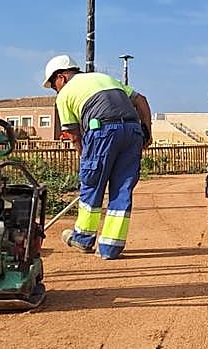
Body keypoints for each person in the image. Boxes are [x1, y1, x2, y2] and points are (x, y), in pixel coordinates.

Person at [42, 55, 153, 260]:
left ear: (62, 77)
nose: (55, 90)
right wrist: (147, 133)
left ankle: (83, 238)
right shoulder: (104, 78)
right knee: (122, 189)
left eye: (53, 85)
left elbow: (75, 135)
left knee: (92, 183)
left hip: (102, 130)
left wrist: (86, 160)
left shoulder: (64, 94)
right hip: (133, 131)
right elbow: (141, 101)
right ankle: (110, 248)